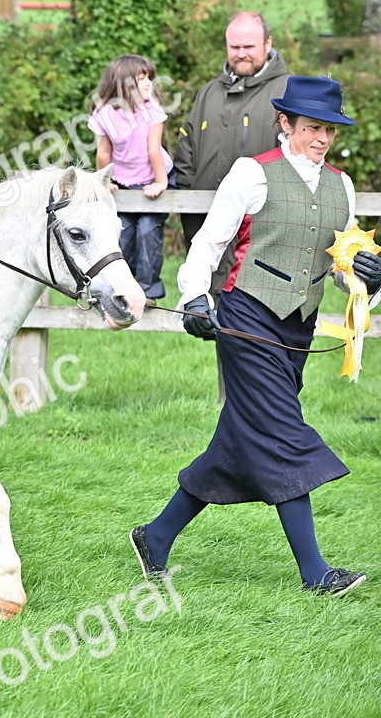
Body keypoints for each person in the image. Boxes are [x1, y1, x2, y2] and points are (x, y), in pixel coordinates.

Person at [131, 76, 381, 597]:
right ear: (285, 123)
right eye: (311, 127)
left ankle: (154, 537)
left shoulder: (342, 185)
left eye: (329, 130)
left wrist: (364, 276)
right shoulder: (251, 173)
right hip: (246, 318)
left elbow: (339, 265)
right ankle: (316, 575)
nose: (321, 138)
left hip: (298, 331)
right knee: (284, 435)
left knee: (237, 445)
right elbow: (208, 241)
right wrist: (194, 297)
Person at [173, 11, 289, 302]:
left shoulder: (289, 92)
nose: (241, 54)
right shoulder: (208, 93)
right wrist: (190, 205)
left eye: (249, 46)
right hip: (206, 232)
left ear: (268, 43)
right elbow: (185, 151)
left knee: (256, 328)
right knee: (214, 327)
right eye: (234, 47)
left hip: (264, 239)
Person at [89, 55, 170, 305]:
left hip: (154, 175)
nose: (148, 84)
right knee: (122, 233)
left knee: (147, 230)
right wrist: (105, 181)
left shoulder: (152, 109)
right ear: (122, 85)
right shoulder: (105, 114)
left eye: (149, 79)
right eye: (141, 79)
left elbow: (154, 149)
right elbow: (104, 152)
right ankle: (125, 288)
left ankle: (148, 291)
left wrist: (161, 182)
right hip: (123, 180)